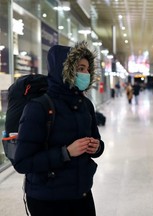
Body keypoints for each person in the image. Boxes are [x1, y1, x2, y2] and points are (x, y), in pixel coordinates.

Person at [13, 41, 105, 216]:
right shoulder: (38, 107)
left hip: (81, 194)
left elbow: (97, 143)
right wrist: (66, 152)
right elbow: (22, 162)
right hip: (47, 200)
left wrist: (97, 147)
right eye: (80, 68)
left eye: (87, 69)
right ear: (65, 70)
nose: (86, 73)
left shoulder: (85, 104)